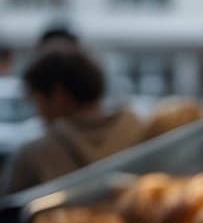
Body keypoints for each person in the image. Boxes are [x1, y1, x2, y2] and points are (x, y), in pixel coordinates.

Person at [1, 44, 143, 195]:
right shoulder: (143, 132)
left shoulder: (33, 155)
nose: (38, 113)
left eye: (37, 101)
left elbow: (8, 212)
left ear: (58, 96)